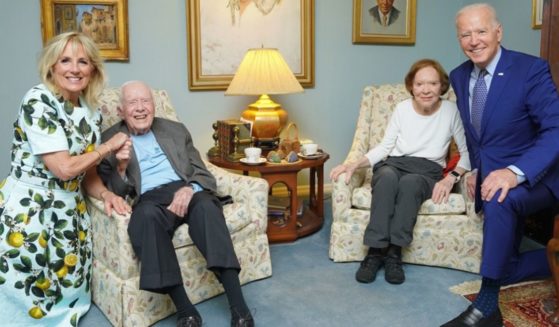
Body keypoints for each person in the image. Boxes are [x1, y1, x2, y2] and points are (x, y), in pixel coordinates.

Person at [97, 80, 254, 327]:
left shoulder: (175, 130)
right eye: (132, 103)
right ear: (120, 111)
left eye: (145, 101)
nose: (140, 108)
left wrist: (189, 189)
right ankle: (186, 311)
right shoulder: (108, 140)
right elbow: (115, 191)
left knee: (207, 209)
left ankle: (240, 309)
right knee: (145, 218)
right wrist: (121, 166)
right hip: (150, 199)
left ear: (154, 105)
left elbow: (204, 173)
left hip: (187, 189)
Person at [0, 32, 130, 325]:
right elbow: (65, 168)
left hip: (70, 214)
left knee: (66, 300)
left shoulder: (91, 112)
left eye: (83, 61)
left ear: (93, 69)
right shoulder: (38, 100)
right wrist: (108, 147)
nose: (74, 68)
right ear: (52, 66)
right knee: (23, 301)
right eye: (66, 60)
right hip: (31, 211)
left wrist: (108, 195)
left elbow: (88, 176)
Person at [441, 3, 559, 327]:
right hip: (491, 175)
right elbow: (479, 137)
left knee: (498, 198)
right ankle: (506, 276)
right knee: (504, 266)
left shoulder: (530, 70)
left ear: (498, 32)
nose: (474, 40)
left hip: (540, 177)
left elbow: (555, 129)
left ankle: (487, 307)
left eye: (481, 31)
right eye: (466, 34)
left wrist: (514, 173)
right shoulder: (459, 75)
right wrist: (475, 169)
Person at [330, 59, 471, 285]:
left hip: (427, 170)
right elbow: (385, 147)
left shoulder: (451, 110)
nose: (426, 90)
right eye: (420, 84)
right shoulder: (402, 108)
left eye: (433, 84)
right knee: (385, 178)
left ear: (442, 86)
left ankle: (395, 253)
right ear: (411, 87)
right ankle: (375, 252)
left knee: (411, 184)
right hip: (395, 163)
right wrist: (354, 164)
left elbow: (467, 152)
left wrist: (451, 178)